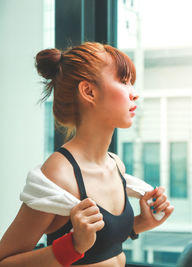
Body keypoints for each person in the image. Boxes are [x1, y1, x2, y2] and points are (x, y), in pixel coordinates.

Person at [0, 42, 174, 266]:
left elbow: (100, 242)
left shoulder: (116, 165)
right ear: (89, 91)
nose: (135, 94)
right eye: (123, 81)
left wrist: (141, 223)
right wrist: (73, 246)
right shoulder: (59, 174)